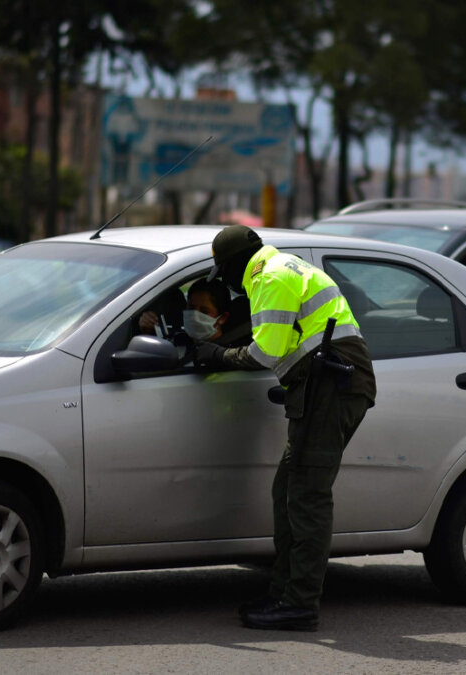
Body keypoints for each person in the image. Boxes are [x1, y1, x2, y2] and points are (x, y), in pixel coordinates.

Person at [194, 225, 375, 631]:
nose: (226, 283)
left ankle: (299, 603)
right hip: (326, 383)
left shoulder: (269, 277)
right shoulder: (282, 267)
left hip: (332, 384)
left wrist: (216, 355)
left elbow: (265, 352)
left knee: (307, 495)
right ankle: (282, 593)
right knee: (288, 491)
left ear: (235, 264)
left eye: (223, 273)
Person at [182, 278, 250, 347]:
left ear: (222, 318)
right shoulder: (182, 342)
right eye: (191, 308)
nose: (194, 317)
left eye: (204, 312)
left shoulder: (228, 353)